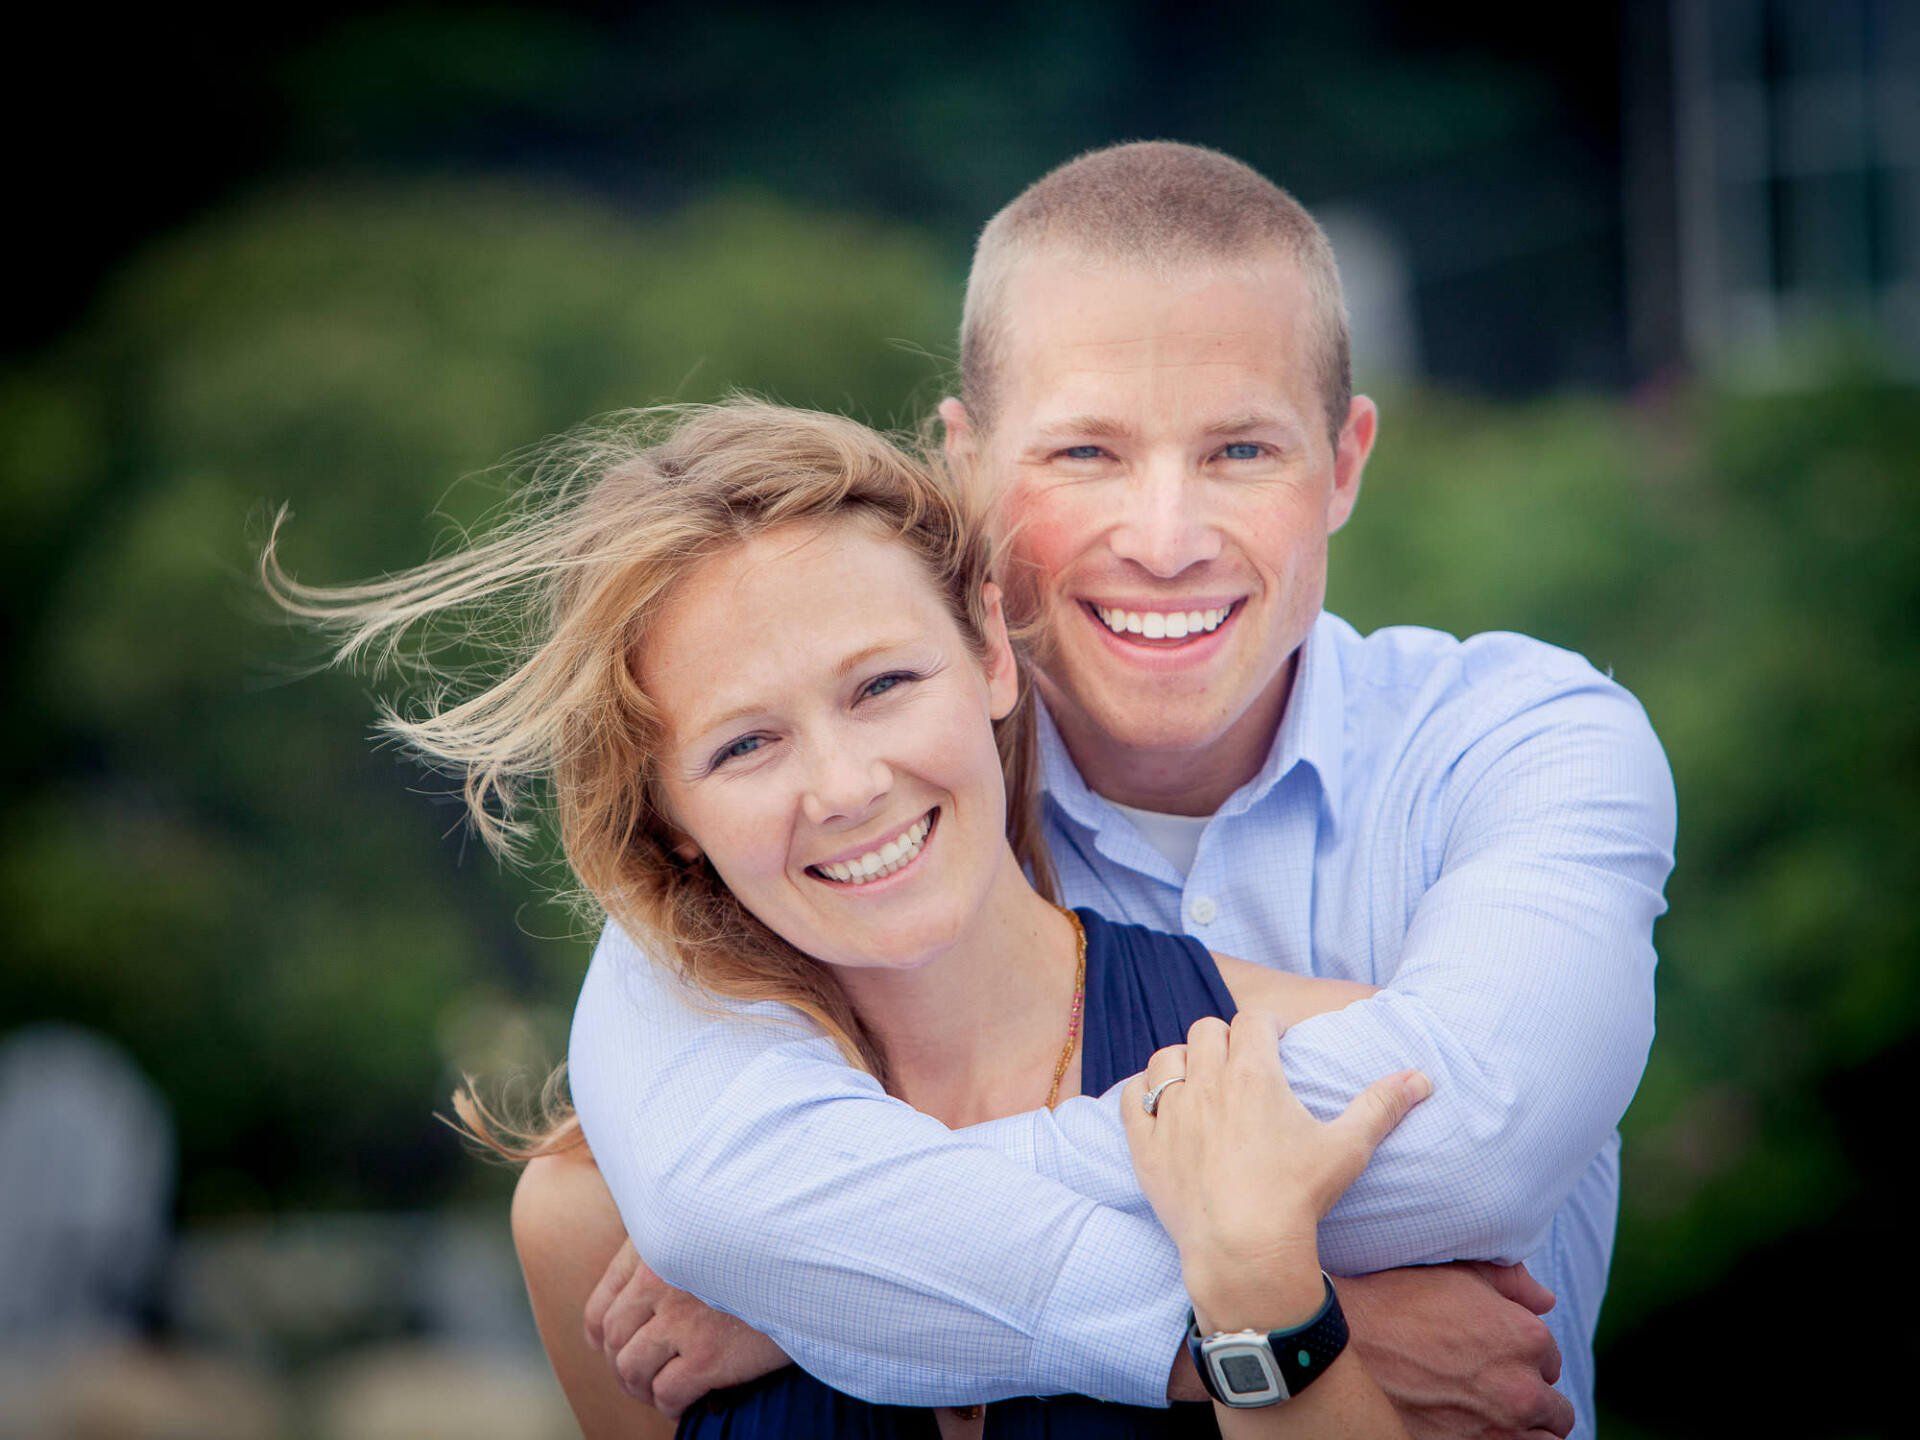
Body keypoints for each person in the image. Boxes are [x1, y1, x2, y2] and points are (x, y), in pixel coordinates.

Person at [537, 142, 1676, 1440]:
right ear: (967, 466)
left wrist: (848, 1277)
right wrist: (1264, 1318)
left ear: (1347, 461)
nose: (1166, 535)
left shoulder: (1524, 740)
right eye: (1085, 453)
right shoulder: (858, 818)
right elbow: (720, 1206)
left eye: (1241, 449)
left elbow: (1477, 1138)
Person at [265, 399, 1432, 1436]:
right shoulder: (599, 1229)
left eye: (882, 687)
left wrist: (1272, 1302)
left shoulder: (1305, 1066)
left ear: (986, 654)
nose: (844, 787)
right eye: (746, 744)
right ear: (668, 815)